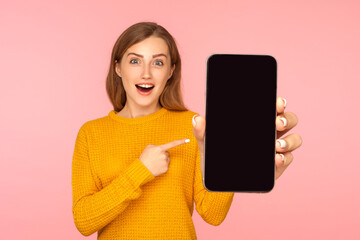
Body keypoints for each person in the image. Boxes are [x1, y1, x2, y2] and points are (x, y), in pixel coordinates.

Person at [71, 22, 302, 239]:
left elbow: (213, 215)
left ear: (171, 71)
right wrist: (141, 170)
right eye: (135, 61)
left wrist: (232, 166)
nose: (146, 73)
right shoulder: (91, 133)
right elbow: (84, 221)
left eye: (158, 62)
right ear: (117, 67)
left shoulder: (193, 126)